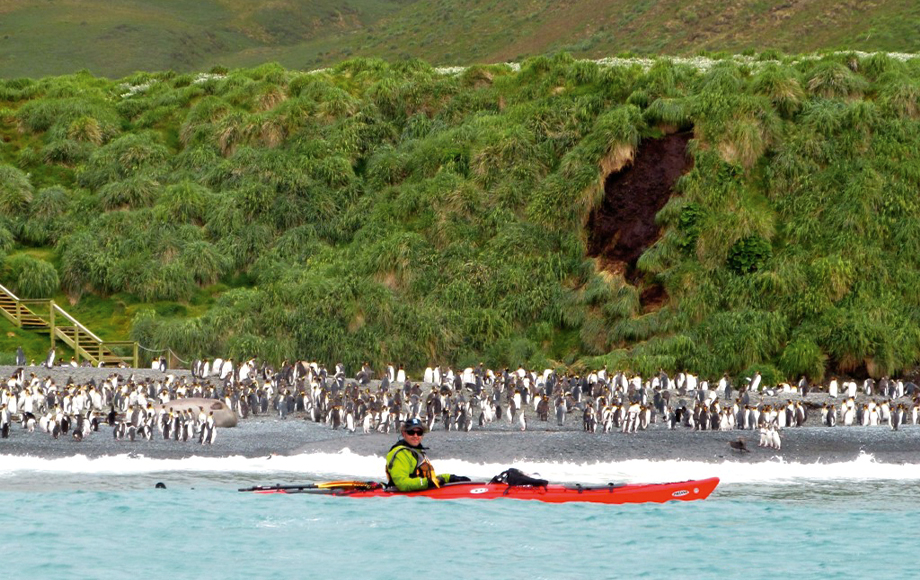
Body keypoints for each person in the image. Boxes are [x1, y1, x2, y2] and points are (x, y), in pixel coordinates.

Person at [385, 418, 470, 491]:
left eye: (419, 433)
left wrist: (449, 478)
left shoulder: (416, 451)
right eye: (411, 432)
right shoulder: (401, 454)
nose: (415, 436)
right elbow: (402, 484)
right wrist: (428, 483)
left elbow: (429, 477)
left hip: (419, 494)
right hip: (405, 500)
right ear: (404, 434)